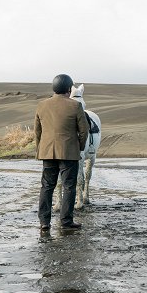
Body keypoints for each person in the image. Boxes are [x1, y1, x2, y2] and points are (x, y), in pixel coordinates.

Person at [35, 74, 89, 231]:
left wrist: (41, 149)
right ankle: (66, 221)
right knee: (69, 187)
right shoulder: (75, 106)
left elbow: (37, 131)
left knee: (46, 186)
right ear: (69, 88)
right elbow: (84, 131)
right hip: (69, 153)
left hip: (47, 152)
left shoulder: (41, 105)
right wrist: (78, 146)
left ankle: (44, 222)